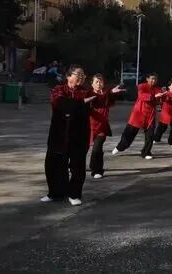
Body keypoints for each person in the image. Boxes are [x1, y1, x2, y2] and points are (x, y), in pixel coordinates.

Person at [41, 66, 91, 206]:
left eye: (83, 75)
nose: (81, 77)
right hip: (59, 133)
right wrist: (80, 104)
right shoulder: (58, 90)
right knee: (54, 164)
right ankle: (55, 193)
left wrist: (109, 94)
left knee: (77, 166)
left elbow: (97, 102)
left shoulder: (86, 92)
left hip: (78, 133)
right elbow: (60, 103)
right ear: (68, 76)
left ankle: (74, 194)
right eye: (78, 74)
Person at [113, 73, 164, 159]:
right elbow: (141, 96)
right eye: (152, 78)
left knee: (150, 135)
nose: (154, 80)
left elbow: (161, 100)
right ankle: (120, 147)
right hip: (138, 113)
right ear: (147, 79)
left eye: (155, 79)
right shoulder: (142, 86)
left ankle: (146, 152)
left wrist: (164, 96)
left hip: (150, 115)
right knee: (129, 133)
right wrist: (154, 96)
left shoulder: (158, 89)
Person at [87, 74, 124, 179]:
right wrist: (110, 92)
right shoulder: (88, 94)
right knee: (81, 149)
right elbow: (97, 98)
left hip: (102, 127)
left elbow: (108, 97)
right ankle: (73, 165)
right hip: (88, 126)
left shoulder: (106, 94)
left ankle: (97, 170)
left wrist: (112, 93)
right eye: (96, 82)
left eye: (101, 82)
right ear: (92, 84)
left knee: (97, 148)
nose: (99, 84)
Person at [154, 81, 172, 147]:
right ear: (169, 87)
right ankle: (156, 138)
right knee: (162, 127)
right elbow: (161, 100)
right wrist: (161, 95)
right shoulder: (165, 93)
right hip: (165, 114)